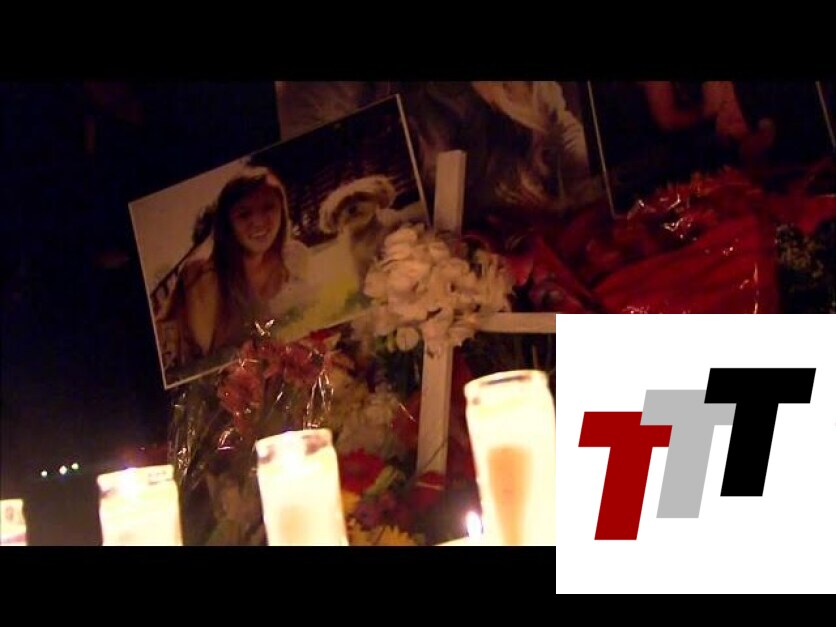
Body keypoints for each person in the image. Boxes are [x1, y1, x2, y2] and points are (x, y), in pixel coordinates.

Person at [276, 81, 598, 227]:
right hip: (407, 283)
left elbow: (566, 136)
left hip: (523, 257)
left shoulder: (523, 93)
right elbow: (299, 151)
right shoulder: (332, 93)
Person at [157, 166, 310, 378]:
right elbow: (205, 360)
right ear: (227, 224)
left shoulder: (294, 258)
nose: (258, 222)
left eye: (268, 207)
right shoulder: (204, 275)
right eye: (244, 214)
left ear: (282, 211)